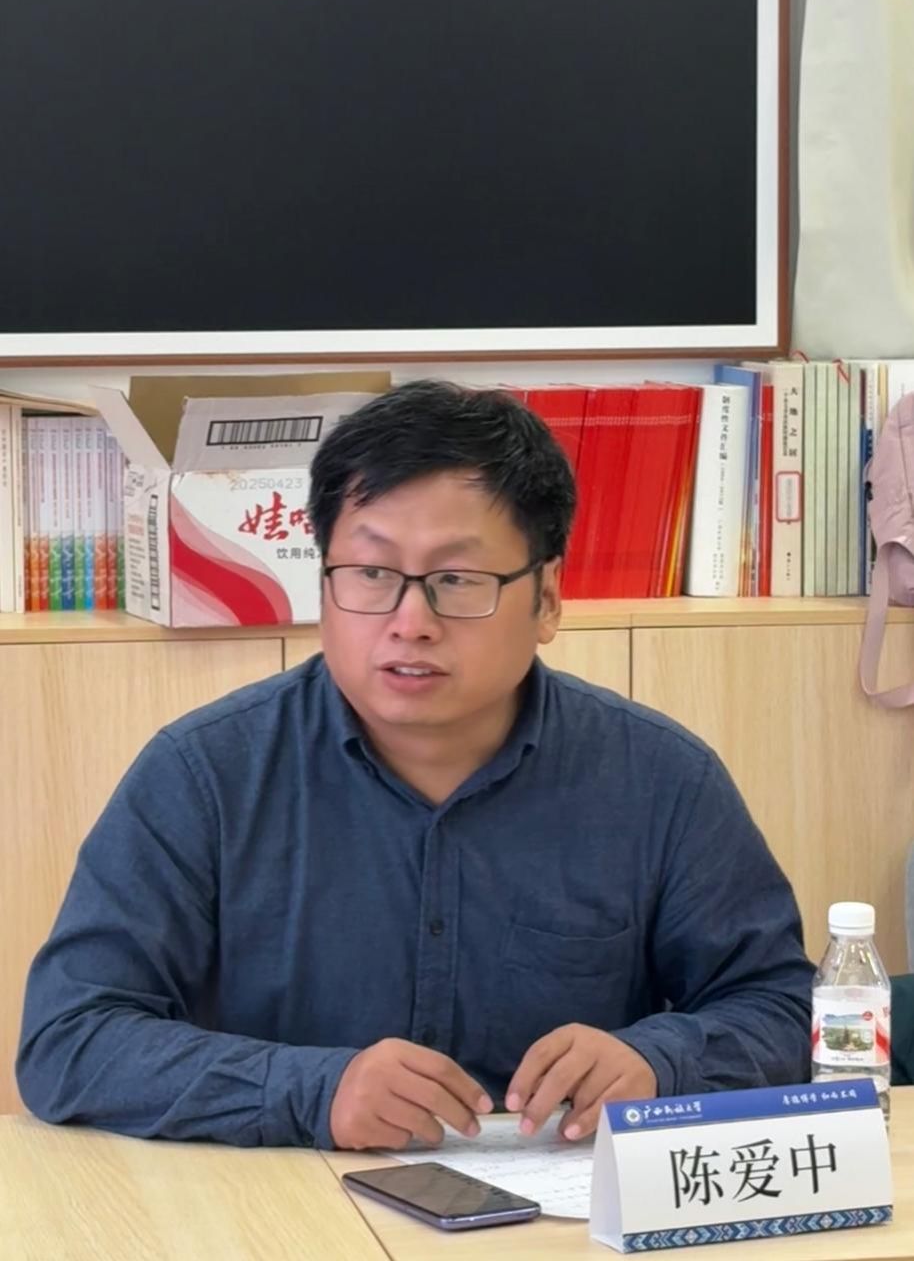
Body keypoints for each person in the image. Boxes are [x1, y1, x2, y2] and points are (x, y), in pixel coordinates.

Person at [17, 381, 813, 1152]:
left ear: (547, 599)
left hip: (563, 1206)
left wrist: (658, 1062)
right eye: (371, 574)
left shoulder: (661, 780)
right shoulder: (205, 775)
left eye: (456, 580)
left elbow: (785, 1009)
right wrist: (313, 1092)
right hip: (282, 1200)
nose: (410, 622)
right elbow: (68, 1039)